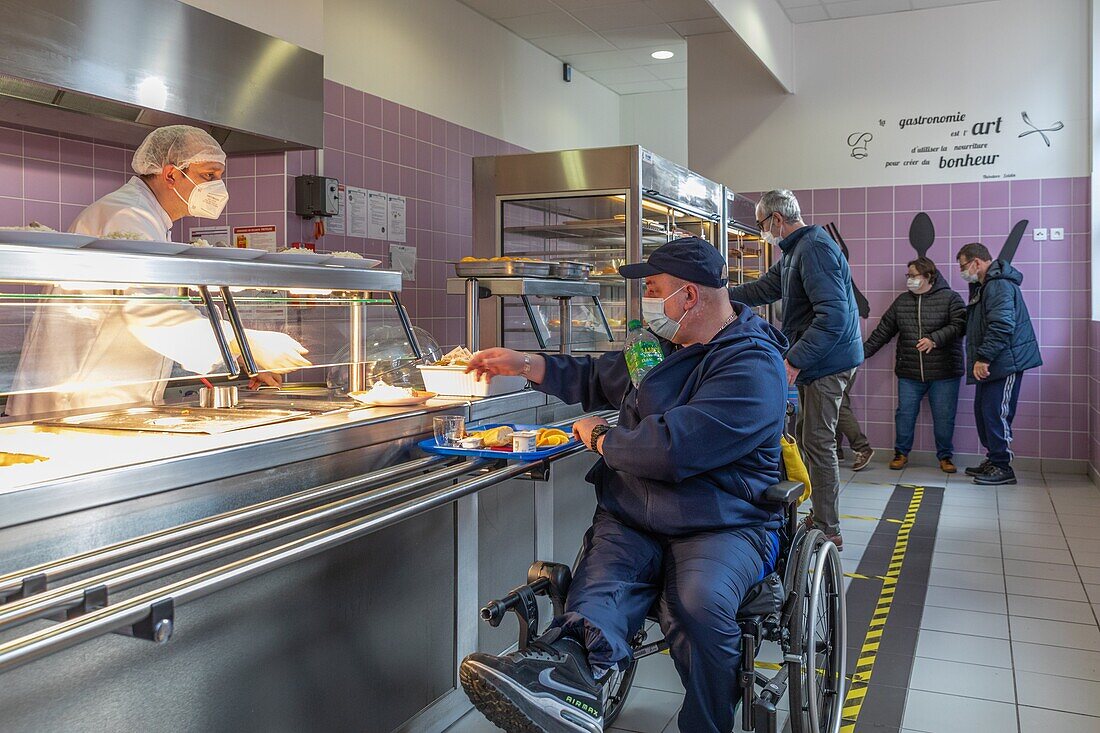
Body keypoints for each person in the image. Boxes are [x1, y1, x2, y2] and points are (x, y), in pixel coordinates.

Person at [459, 237, 788, 733]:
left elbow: (675, 447)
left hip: (723, 521)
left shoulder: (752, 364)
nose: (646, 303)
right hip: (634, 512)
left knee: (696, 606)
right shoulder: (656, 347)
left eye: (653, 290)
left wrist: (602, 438)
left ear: (688, 297)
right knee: (598, 591)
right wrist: (526, 364)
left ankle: (707, 723)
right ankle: (562, 681)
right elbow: (596, 376)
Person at [6, 125, 310, 416]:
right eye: (208, 175)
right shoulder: (126, 215)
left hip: (105, 400)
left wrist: (241, 354)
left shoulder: (149, 219)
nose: (217, 187)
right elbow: (151, 313)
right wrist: (246, 342)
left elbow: (166, 310)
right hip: (80, 401)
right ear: (171, 174)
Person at [728, 190, 862, 547]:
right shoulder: (794, 251)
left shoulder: (814, 248)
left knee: (818, 441)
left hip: (829, 361)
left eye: (761, 225)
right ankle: (819, 516)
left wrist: (794, 360)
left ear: (776, 219)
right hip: (820, 359)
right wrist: (718, 295)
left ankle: (829, 528)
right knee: (807, 436)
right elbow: (764, 289)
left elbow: (832, 318)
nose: (762, 232)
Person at [863, 257, 966, 473]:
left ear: (928, 276)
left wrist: (934, 339)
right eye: (908, 276)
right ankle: (901, 454)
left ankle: (945, 456)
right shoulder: (902, 302)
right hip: (909, 372)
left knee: (944, 417)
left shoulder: (950, 298)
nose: (909, 280)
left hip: (944, 373)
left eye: (913, 276)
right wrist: (861, 354)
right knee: (905, 414)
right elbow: (883, 331)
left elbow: (960, 325)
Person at [956, 243, 1041, 485]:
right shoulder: (984, 287)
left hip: (1004, 361)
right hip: (995, 360)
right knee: (984, 412)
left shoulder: (998, 285)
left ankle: (1003, 466)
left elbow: (1002, 325)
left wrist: (983, 358)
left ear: (977, 262)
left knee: (996, 413)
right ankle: (994, 459)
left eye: (963, 266)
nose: (962, 271)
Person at [835, 372, 874, 471]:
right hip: (840, 365)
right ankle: (835, 450)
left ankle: (862, 448)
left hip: (837, 366)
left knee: (838, 406)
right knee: (833, 407)